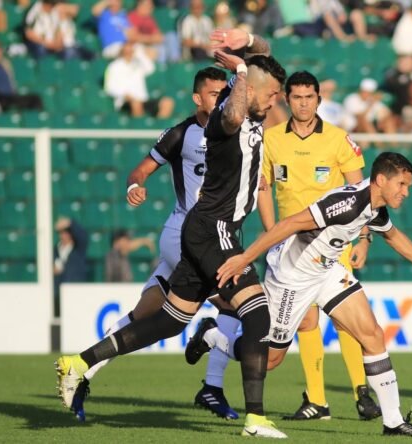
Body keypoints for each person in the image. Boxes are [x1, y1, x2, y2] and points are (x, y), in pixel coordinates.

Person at [56, 28, 289, 438]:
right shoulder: (226, 118)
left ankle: (79, 362)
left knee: (167, 320)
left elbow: (264, 67)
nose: (275, 103)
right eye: (270, 96)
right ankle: (254, 416)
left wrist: (249, 41)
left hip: (210, 231)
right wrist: (238, 70)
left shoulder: (254, 103)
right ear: (248, 89)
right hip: (210, 231)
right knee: (258, 314)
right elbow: (237, 107)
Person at [198, 152, 412, 437]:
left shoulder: (375, 208)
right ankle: (212, 335)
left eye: (408, 186)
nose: (406, 192)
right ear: (380, 180)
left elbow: (394, 237)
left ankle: (393, 422)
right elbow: (288, 225)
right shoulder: (346, 203)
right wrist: (244, 258)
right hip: (293, 276)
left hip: (327, 271)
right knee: (270, 361)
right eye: (401, 184)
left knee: (372, 334)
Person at [66, 66, 235, 422]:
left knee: (143, 316)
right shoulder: (181, 134)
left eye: (225, 94)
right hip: (186, 237)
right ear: (197, 98)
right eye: (213, 94)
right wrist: (134, 186)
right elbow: (140, 170)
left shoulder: (236, 133)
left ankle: (81, 371)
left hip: (214, 238)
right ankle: (212, 379)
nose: (219, 99)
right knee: (239, 305)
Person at [256, 70, 380, 421]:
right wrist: (272, 235)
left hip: (333, 244)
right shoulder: (272, 140)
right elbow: (263, 188)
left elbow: (364, 194)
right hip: (292, 247)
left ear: (318, 100)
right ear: (287, 99)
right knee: (307, 322)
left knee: (345, 321)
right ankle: (317, 401)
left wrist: (365, 238)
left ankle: (362, 392)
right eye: (296, 97)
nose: (304, 103)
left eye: (309, 97)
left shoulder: (339, 139)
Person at [103, 41, 175, 118]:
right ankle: (139, 125)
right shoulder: (113, 66)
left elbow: (150, 68)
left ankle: (160, 127)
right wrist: (124, 95)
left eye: (131, 50)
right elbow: (109, 88)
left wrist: (139, 53)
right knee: (136, 104)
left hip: (143, 100)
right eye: (127, 50)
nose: (129, 52)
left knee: (167, 102)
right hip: (125, 102)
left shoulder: (138, 64)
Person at [53, 217, 89, 316]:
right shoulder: (55, 250)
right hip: (58, 294)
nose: (64, 235)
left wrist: (70, 223)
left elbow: (83, 235)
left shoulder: (78, 250)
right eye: (61, 232)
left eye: (66, 232)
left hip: (75, 292)